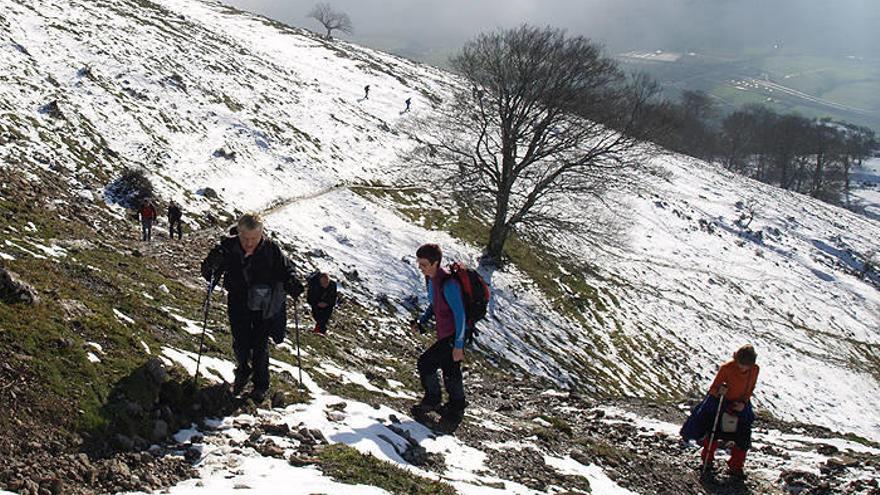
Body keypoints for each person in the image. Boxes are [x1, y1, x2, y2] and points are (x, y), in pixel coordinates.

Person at [200, 213, 303, 402]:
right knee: (240, 341)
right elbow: (209, 274)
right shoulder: (227, 248)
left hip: (263, 304)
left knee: (260, 345)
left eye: (254, 238)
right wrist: (211, 265)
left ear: (261, 234)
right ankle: (243, 369)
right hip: (238, 300)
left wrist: (292, 281)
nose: (249, 243)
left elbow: (286, 269)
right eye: (245, 238)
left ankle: (260, 385)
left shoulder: (271, 249)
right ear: (238, 232)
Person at [409, 243, 468, 424]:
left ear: (435, 263)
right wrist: (422, 321)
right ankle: (455, 408)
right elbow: (435, 305)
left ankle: (434, 400)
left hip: (454, 335)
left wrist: (458, 346)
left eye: (424, 264)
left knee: (426, 363)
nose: (421, 268)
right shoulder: (431, 280)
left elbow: (460, 315)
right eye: (419, 264)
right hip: (445, 334)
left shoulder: (448, 283)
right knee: (450, 370)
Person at [681, 344, 759, 478]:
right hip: (721, 401)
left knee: (744, 431)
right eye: (741, 364)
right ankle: (707, 459)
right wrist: (719, 391)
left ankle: (736, 465)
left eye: (746, 366)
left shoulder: (755, 370)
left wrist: (743, 403)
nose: (743, 368)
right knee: (712, 427)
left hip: (740, 403)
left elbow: (750, 389)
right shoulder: (727, 368)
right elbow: (713, 389)